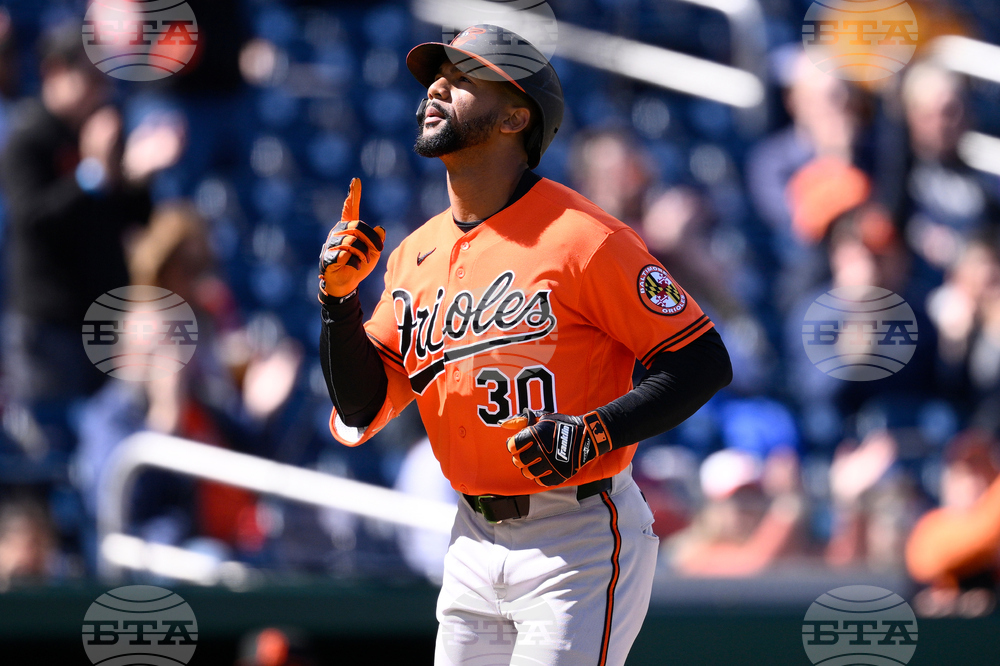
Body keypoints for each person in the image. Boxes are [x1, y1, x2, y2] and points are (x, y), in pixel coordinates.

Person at [317, 25, 731, 665]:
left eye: (462, 78)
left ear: (516, 115)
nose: (437, 87)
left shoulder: (585, 238)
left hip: (577, 538)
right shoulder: (413, 255)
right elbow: (360, 404)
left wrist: (592, 432)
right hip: (470, 539)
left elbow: (703, 361)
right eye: (437, 75)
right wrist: (339, 303)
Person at [0, 27, 181, 456]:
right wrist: (94, 175)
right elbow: (32, 221)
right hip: (48, 326)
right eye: (90, 78)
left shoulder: (102, 131)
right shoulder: (29, 138)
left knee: (102, 441)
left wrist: (138, 177)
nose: (100, 91)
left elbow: (135, 221)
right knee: (54, 451)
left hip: (102, 318)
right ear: (54, 73)